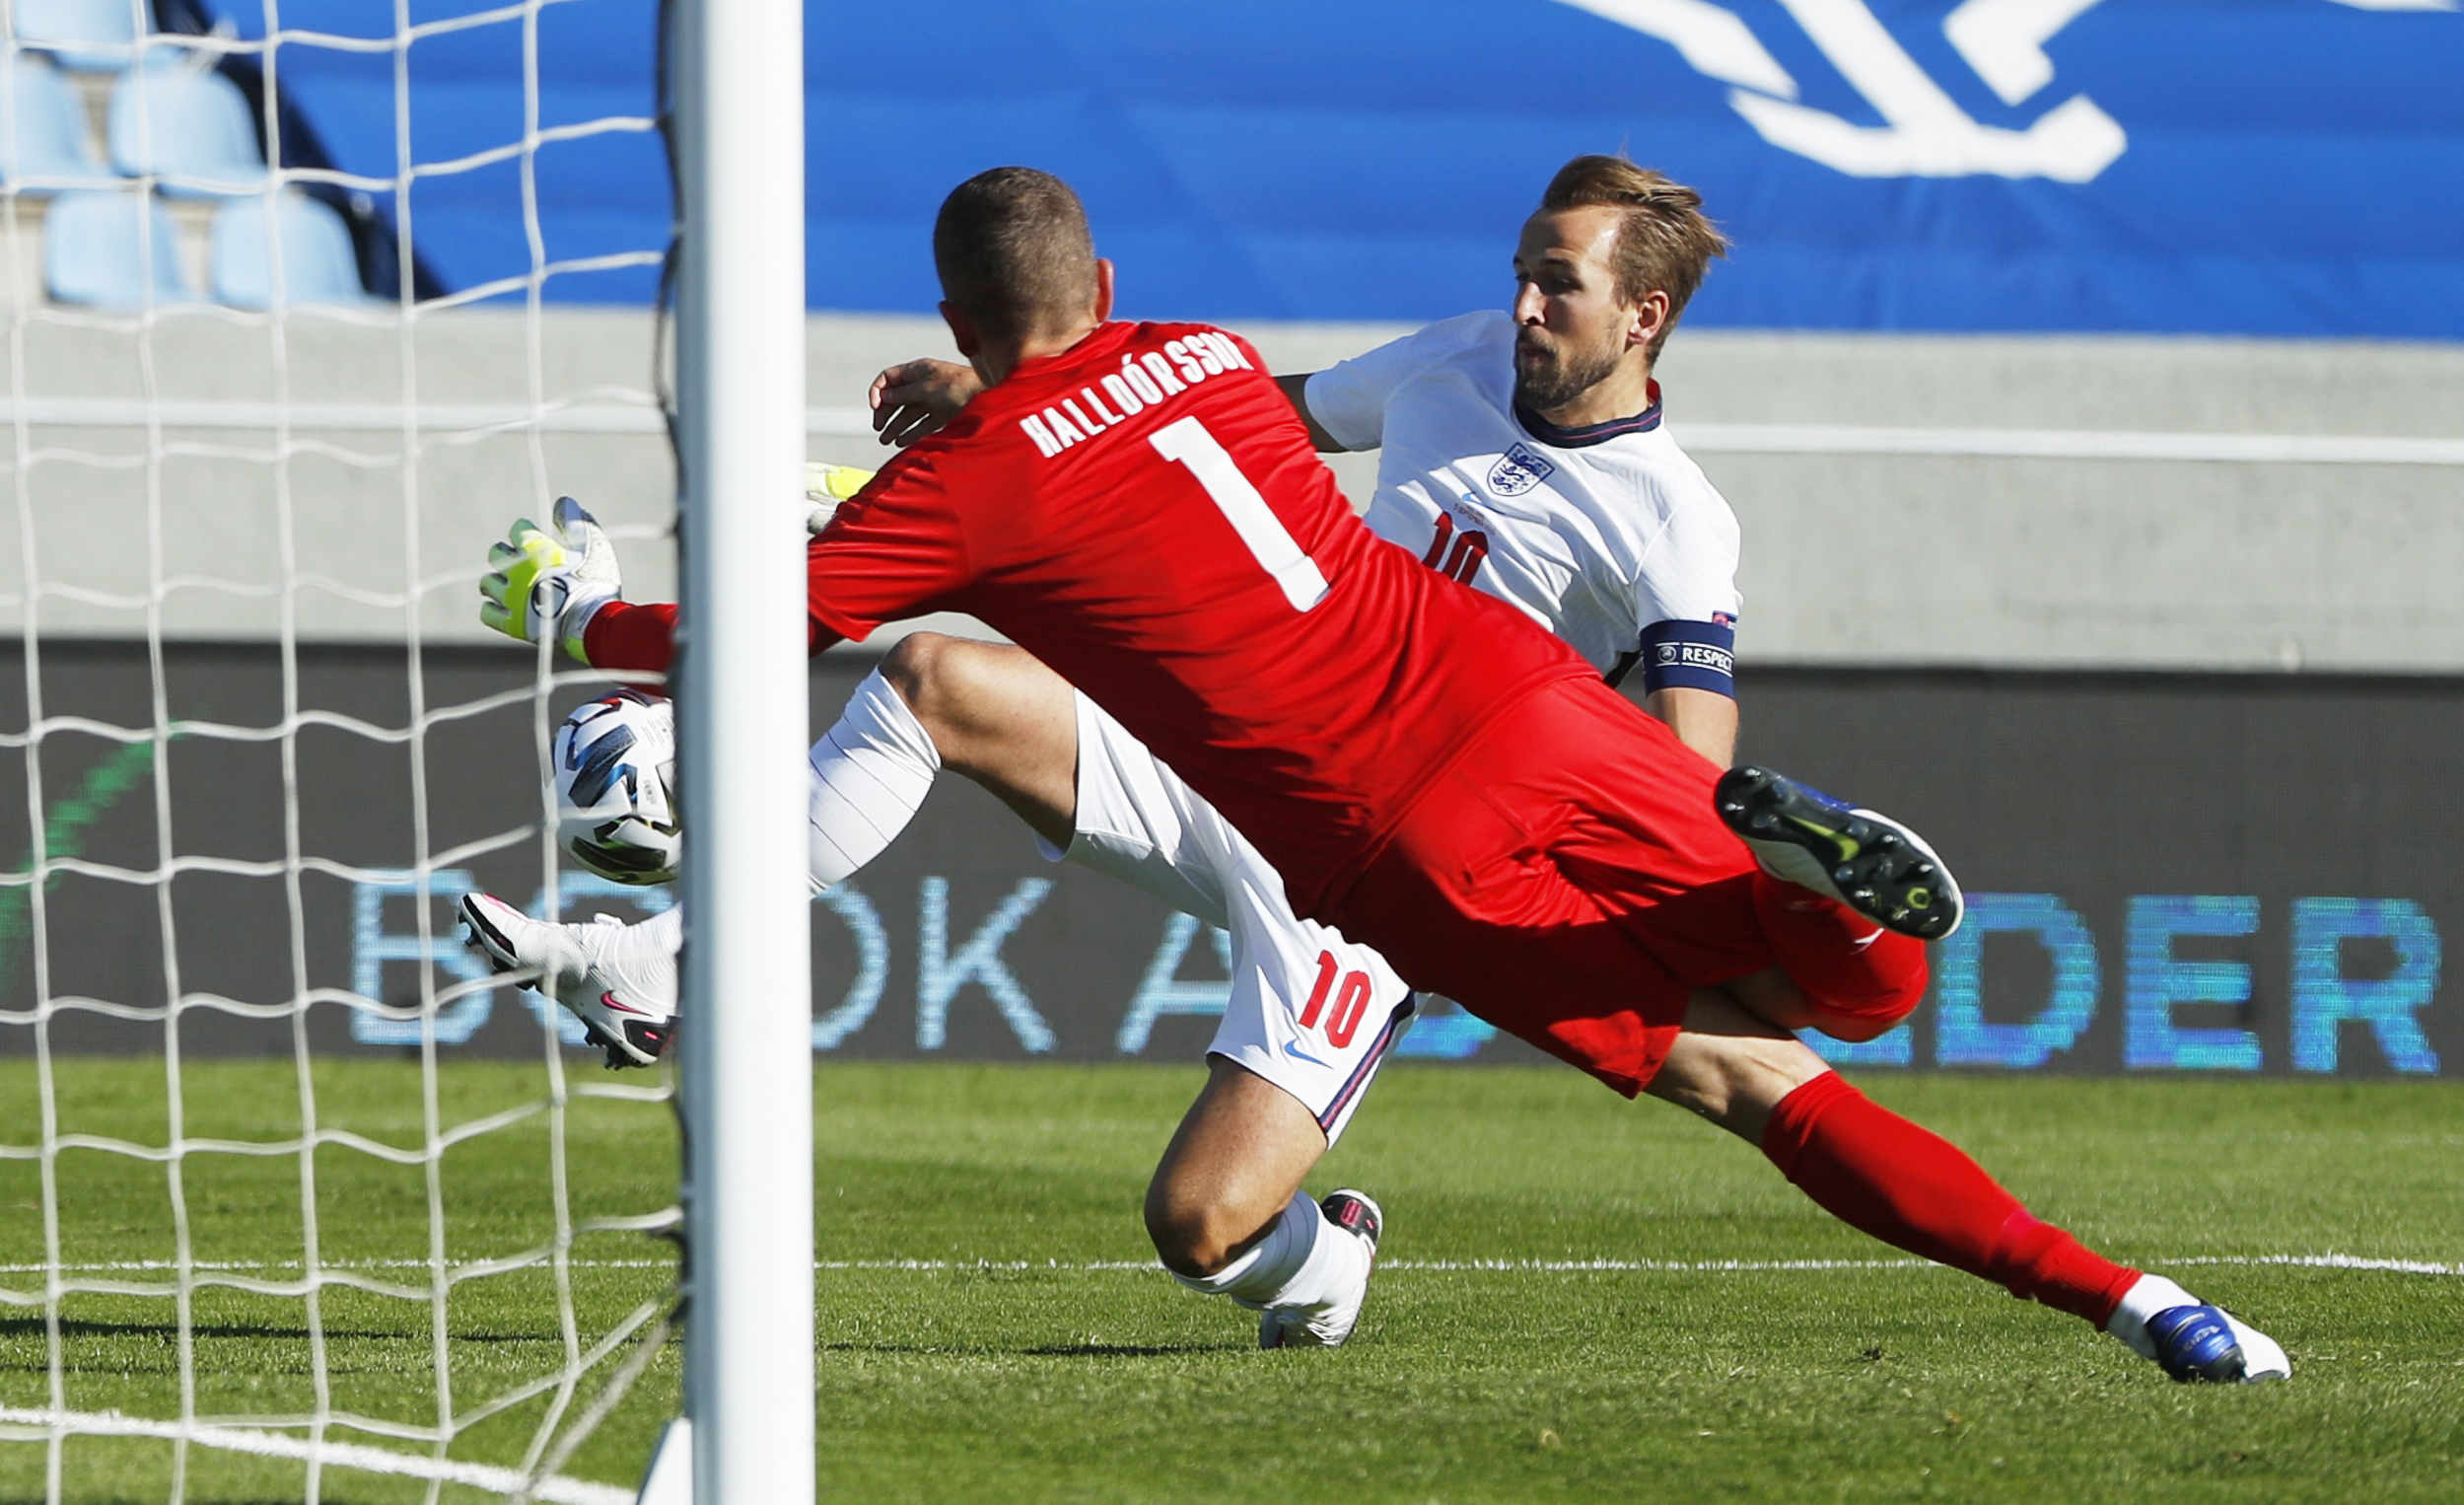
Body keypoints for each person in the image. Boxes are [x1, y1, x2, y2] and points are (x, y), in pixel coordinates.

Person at [464, 164, 2285, 1383]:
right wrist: (988, 424)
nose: (1523, 299)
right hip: (1449, 710)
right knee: (942, 674)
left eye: (1557, 277)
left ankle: (1850, 952)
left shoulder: (1668, 510)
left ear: (1643, 315)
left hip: (1382, 838)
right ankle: (677, 954)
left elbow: (756, 623)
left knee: (1706, 1065)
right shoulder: (1230, 354)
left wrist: (592, 616)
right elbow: (1207, 421)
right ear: (1105, 286)